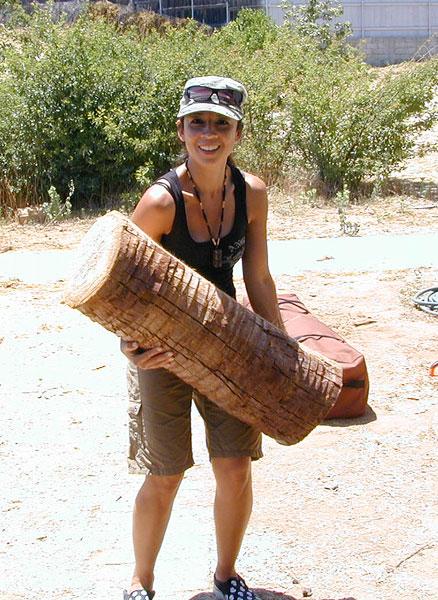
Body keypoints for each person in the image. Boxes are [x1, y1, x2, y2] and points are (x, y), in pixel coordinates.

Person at [121, 76, 285, 600]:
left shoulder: (252, 193)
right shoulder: (160, 202)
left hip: (230, 344)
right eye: (197, 123)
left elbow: (258, 276)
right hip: (163, 351)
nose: (208, 134)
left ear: (238, 133)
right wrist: (131, 345)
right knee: (165, 474)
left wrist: (281, 349)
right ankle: (141, 582)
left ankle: (227, 577)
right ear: (181, 130)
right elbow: (118, 281)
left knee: (234, 466)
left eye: (220, 124)